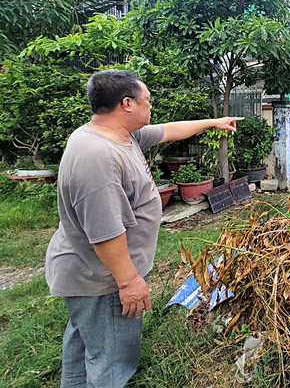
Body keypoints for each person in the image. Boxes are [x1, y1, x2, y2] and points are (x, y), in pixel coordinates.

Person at [45, 69, 242, 387]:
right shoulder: (97, 156)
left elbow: (169, 130)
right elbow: (105, 233)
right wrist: (129, 282)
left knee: (88, 344)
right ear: (126, 104)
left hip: (95, 276)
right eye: (147, 101)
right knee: (111, 359)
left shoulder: (122, 135)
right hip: (103, 281)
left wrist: (213, 122)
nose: (151, 107)